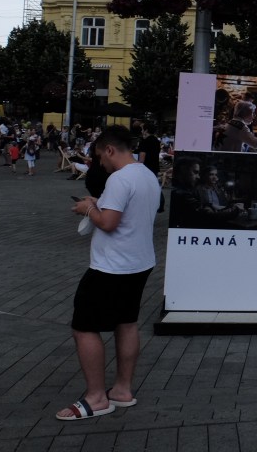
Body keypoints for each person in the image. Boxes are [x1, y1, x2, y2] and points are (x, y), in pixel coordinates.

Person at [56, 125, 157, 421]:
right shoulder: (147, 175)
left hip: (112, 266)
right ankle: (122, 390)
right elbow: (127, 212)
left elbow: (109, 223)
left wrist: (87, 209)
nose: (101, 163)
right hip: (139, 262)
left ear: (110, 149)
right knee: (126, 323)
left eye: (101, 157)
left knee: (84, 327)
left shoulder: (119, 178)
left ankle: (96, 398)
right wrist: (98, 204)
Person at [137, 121, 164, 213]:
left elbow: (142, 158)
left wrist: (137, 168)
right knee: (154, 186)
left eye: (142, 129)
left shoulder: (144, 141)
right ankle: (159, 204)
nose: (141, 131)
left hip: (146, 168)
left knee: (145, 188)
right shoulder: (156, 141)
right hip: (154, 167)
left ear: (146, 130)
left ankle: (148, 205)